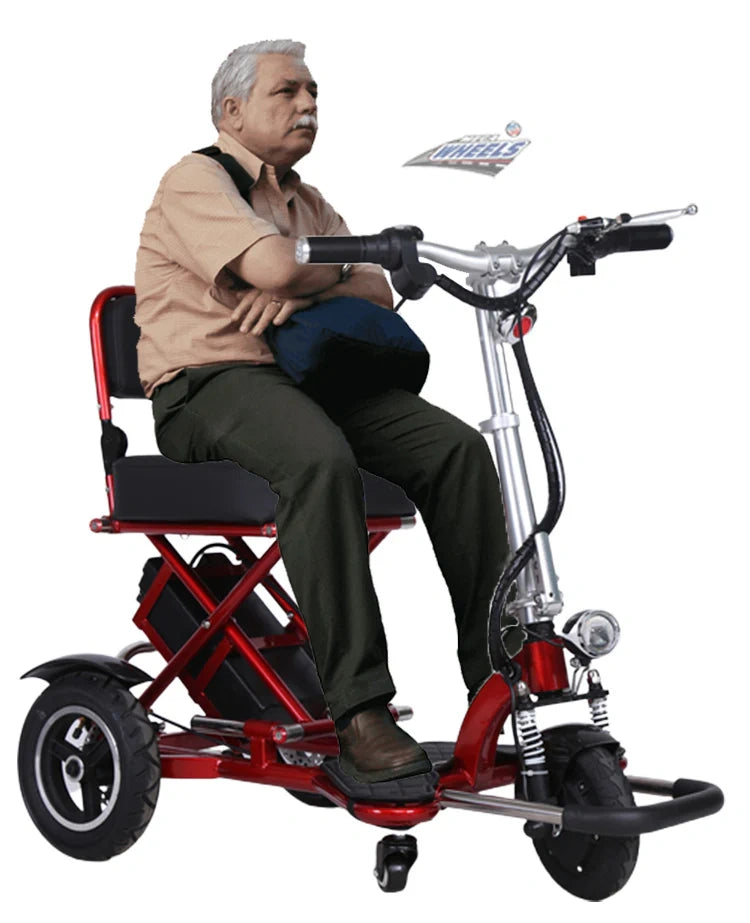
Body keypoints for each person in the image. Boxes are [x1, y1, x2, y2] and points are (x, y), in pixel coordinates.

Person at [134, 39, 512, 784]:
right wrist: (313, 271)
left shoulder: (304, 202)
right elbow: (278, 264)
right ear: (231, 111)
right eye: (288, 92)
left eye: (313, 93)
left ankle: (501, 680)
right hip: (207, 384)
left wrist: (307, 283)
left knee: (458, 450)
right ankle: (361, 713)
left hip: (304, 379)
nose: (307, 105)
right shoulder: (194, 180)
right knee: (318, 457)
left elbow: (378, 286)